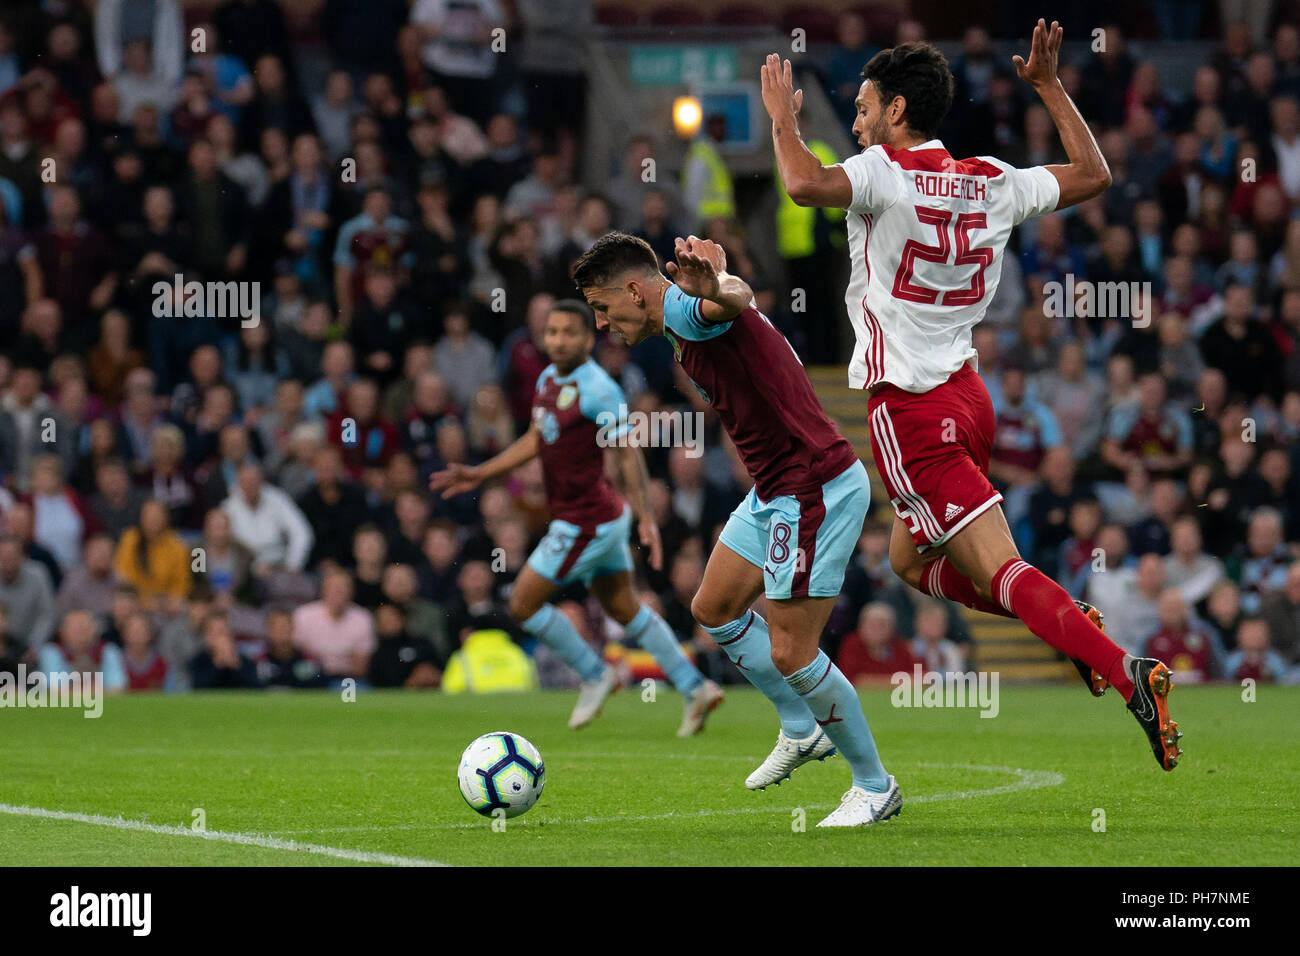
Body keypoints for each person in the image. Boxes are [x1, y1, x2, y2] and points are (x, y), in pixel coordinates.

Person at [761, 21, 1182, 773]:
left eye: (861, 108)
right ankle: (1068, 626)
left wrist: (782, 121)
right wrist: (1050, 86)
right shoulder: (991, 178)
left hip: (910, 408)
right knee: (907, 559)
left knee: (998, 569)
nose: (854, 123)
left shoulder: (881, 173)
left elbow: (799, 184)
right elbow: (1094, 174)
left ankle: (1127, 673)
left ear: (895, 111)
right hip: (969, 398)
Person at [572, 232, 893, 828]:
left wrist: (718, 285)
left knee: (792, 651)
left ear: (636, 291)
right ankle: (801, 728)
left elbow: (734, 301)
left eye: (601, 305)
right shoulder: (679, 322)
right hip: (773, 489)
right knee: (714, 608)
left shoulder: (691, 315)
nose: (600, 322)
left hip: (813, 484)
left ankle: (875, 787)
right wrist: (715, 290)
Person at [432, 299, 722, 735]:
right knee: (625, 608)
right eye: (552, 332)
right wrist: (480, 473)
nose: (559, 340)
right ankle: (694, 685)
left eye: (569, 332)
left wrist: (645, 517)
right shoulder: (548, 379)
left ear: (588, 339)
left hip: (588, 521)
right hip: (591, 517)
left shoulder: (600, 389)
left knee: (522, 603)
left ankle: (595, 673)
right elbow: (536, 438)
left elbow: (627, 456)